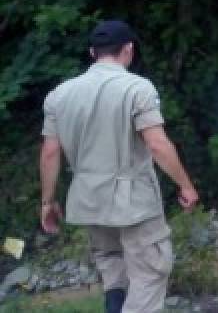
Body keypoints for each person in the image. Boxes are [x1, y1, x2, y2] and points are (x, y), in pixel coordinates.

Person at [39, 20, 199, 313]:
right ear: (128, 50)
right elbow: (157, 144)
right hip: (133, 200)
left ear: (92, 52)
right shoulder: (137, 88)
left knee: (111, 262)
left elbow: (50, 152)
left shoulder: (59, 95)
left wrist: (48, 202)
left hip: (89, 197)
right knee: (150, 272)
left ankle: (114, 306)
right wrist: (185, 185)